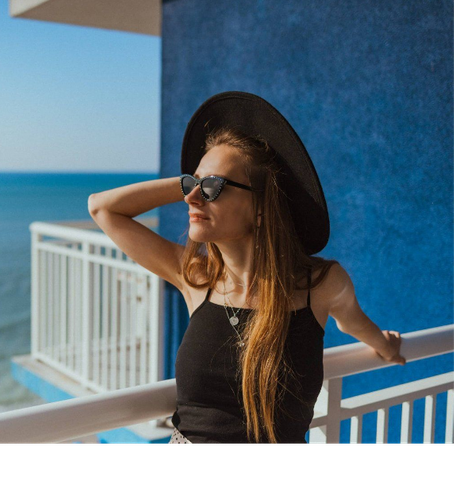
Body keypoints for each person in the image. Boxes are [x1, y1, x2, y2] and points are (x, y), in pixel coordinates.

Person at [88, 91, 405, 445]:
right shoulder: (196, 277)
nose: (192, 197)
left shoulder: (321, 283)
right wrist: (188, 182)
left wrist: (387, 346)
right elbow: (102, 209)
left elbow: (353, 321)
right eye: (192, 185)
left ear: (259, 206)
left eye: (212, 187)